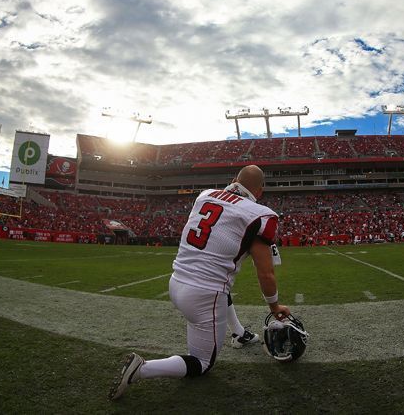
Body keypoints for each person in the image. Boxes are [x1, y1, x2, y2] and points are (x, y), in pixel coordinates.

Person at [109, 165, 290, 400]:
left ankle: (239, 333)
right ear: (260, 190)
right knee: (202, 363)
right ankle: (142, 368)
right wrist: (274, 306)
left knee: (222, 292)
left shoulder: (205, 195)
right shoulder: (260, 214)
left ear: (234, 179)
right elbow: (266, 273)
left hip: (176, 282)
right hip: (204, 295)